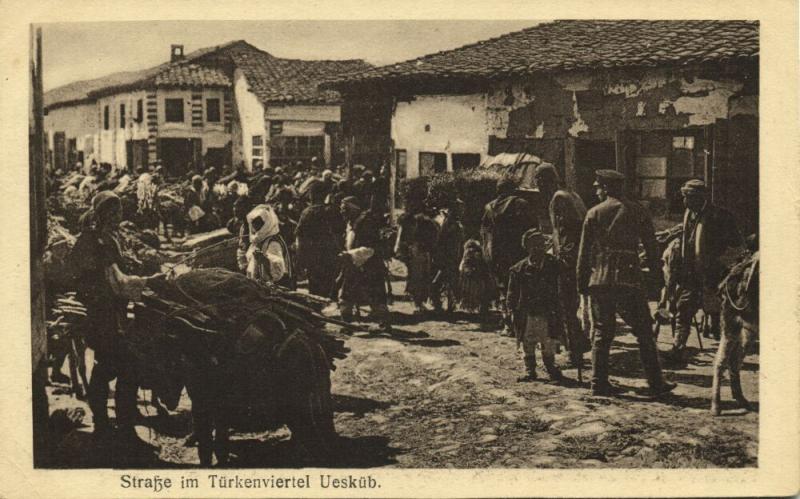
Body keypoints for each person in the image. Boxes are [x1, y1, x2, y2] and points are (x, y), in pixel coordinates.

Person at [68, 191, 163, 444]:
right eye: (115, 211)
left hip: (107, 315)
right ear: (104, 214)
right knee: (125, 368)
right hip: (103, 317)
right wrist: (148, 281)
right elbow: (116, 283)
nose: (119, 215)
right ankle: (120, 428)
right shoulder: (98, 241)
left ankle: (107, 424)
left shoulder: (106, 237)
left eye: (119, 211)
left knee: (106, 368)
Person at [577, 169, 676, 397]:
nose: (596, 191)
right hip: (629, 279)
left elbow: (583, 255)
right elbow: (652, 249)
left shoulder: (593, 213)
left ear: (605, 188)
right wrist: (659, 279)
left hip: (599, 280)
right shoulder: (637, 211)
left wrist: (582, 283)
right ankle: (655, 382)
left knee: (602, 332)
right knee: (643, 332)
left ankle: (598, 383)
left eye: (598, 187)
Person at [667, 179, 743, 359]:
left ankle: (726, 350)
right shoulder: (689, 214)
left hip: (716, 275)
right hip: (691, 274)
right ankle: (678, 346)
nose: (685, 201)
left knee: (718, 310)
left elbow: (737, 246)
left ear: (700, 198)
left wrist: (721, 264)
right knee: (683, 308)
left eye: (689, 197)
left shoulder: (720, 216)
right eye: (684, 197)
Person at [533, 163, 592, 364]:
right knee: (569, 305)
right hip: (576, 257)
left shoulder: (559, 198)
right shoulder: (571, 194)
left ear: (543, 181)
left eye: (538, 181)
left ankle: (574, 353)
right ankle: (578, 344)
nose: (538, 186)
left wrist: (562, 259)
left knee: (565, 306)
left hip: (569, 260)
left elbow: (570, 230)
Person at [481, 177, 538, 335]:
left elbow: (485, 234)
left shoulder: (489, 208)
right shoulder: (521, 204)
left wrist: (488, 255)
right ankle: (521, 324)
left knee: (503, 288)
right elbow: (532, 229)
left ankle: (508, 324)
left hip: (497, 255)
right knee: (520, 288)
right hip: (517, 254)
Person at [507, 228, 565, 383]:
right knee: (528, 341)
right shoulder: (518, 269)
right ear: (527, 247)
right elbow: (512, 293)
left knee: (548, 341)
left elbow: (565, 286)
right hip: (527, 312)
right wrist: (510, 310)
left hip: (548, 311)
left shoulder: (555, 265)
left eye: (540, 245)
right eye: (533, 245)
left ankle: (551, 368)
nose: (538, 248)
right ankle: (530, 370)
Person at [338, 196, 391, 331]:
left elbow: (371, 247)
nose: (342, 212)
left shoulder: (365, 222)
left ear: (353, 209)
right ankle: (347, 324)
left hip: (370, 264)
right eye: (341, 209)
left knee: (376, 294)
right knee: (346, 294)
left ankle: (384, 323)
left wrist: (351, 254)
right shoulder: (352, 222)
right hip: (354, 264)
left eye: (344, 209)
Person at [296, 181, 339, 298]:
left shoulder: (307, 212)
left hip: (313, 257)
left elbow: (300, 237)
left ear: (313, 195)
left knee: (315, 290)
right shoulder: (331, 211)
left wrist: (300, 259)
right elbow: (339, 233)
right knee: (329, 287)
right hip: (330, 254)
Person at [238, 204, 294, 288]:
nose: (254, 226)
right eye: (253, 223)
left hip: (276, 288)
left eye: (258, 223)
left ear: (267, 223)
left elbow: (277, 271)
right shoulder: (259, 241)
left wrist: (264, 260)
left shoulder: (273, 243)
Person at [432, 198, 466, 313]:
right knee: (442, 282)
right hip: (448, 258)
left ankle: (448, 305)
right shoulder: (449, 223)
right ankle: (443, 304)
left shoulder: (455, 225)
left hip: (452, 258)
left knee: (445, 282)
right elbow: (441, 240)